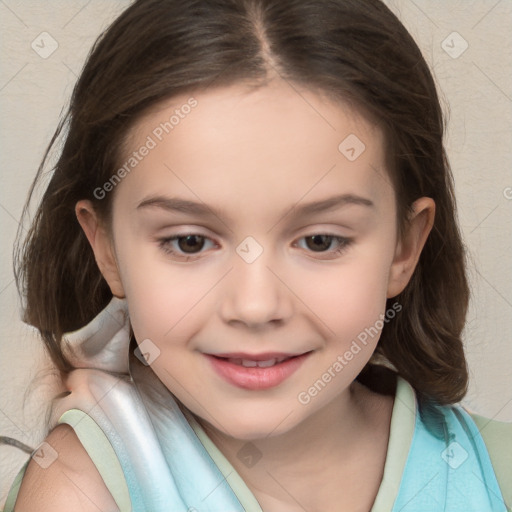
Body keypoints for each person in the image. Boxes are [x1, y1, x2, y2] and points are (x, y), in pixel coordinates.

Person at [3, 0, 511, 510]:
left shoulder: (494, 473)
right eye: (190, 242)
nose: (255, 305)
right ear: (107, 250)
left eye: (320, 241)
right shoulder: (77, 491)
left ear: (404, 246)